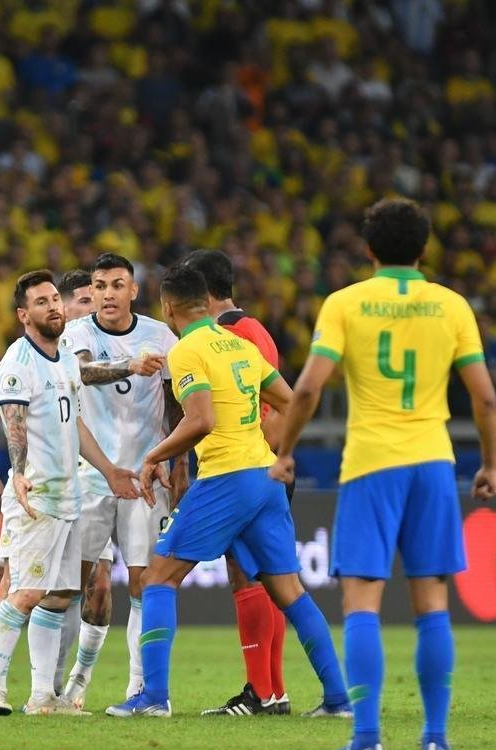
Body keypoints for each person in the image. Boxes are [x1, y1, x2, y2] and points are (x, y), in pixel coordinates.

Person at [274, 198, 496, 750]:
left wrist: (284, 452)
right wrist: (490, 464)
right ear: (424, 250)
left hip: (372, 463)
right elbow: (485, 397)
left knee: (362, 604)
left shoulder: (346, 303)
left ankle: (366, 740)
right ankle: (435, 741)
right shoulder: (451, 305)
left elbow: (306, 390)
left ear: (369, 249)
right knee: (432, 604)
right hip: (432, 462)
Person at [106, 265, 349, 720]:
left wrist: (153, 456)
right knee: (290, 590)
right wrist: (278, 447)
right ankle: (337, 699)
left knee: (158, 578)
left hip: (226, 477)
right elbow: (292, 399)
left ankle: (153, 698)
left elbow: (200, 421)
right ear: (205, 302)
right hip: (264, 475)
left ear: (168, 308)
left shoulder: (186, 352)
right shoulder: (239, 344)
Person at [0, 270, 140, 716]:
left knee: (61, 595)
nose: (53, 307)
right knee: (23, 591)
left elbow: (74, 424)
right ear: (25, 315)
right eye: (41, 302)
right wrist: (14, 474)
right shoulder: (18, 363)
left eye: (54, 300)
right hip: (37, 497)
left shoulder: (63, 358)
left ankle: (45, 696)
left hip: (70, 498)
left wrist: (110, 470)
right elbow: (11, 422)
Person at [58, 253, 178, 709]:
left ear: (134, 291)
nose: (107, 294)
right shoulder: (78, 332)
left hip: (147, 476)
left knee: (145, 583)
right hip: (91, 475)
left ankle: (142, 689)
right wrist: (130, 366)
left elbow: (176, 402)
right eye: (100, 285)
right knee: (76, 584)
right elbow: (81, 373)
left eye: (117, 285)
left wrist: (177, 463)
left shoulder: (160, 335)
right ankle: (59, 687)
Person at [181, 248, 293, 717]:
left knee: (250, 577)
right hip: (265, 466)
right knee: (266, 579)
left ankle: (262, 691)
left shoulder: (231, 336)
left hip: (250, 468)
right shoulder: (254, 331)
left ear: (203, 296)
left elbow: (274, 406)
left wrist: (269, 462)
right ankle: (271, 692)